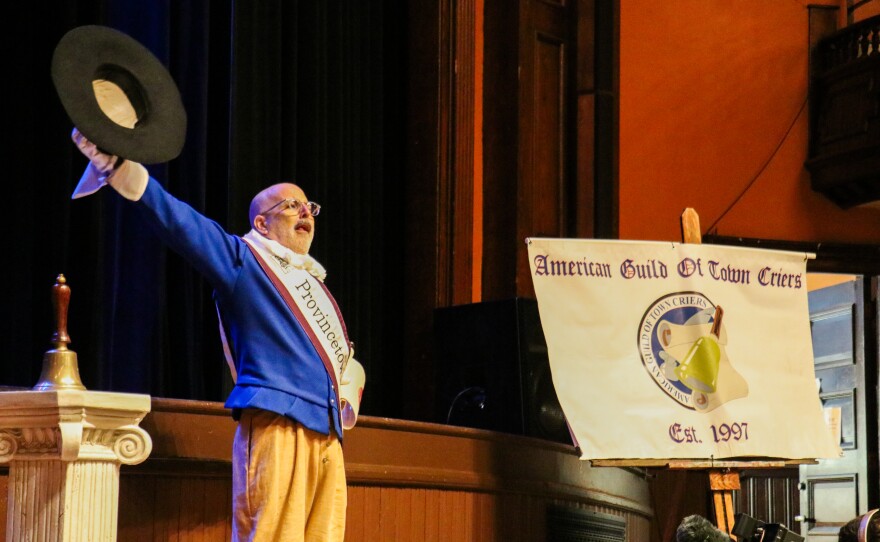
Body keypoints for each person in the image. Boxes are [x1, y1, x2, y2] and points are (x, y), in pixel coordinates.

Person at [71, 128, 357, 542]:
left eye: (308, 206)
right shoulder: (244, 261)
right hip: (279, 424)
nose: (305, 214)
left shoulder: (312, 283)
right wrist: (117, 166)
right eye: (291, 205)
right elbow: (180, 222)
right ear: (262, 222)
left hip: (328, 436)